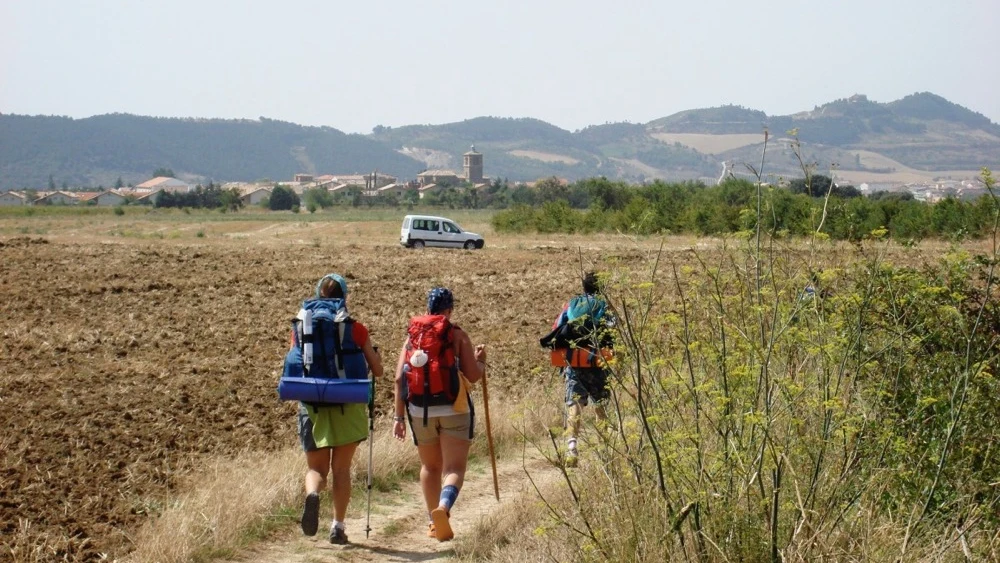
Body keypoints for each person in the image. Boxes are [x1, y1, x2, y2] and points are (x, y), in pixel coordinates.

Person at [294, 273, 383, 544]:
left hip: (312, 405)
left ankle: (313, 494)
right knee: (341, 470)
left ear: (318, 294)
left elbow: (297, 363)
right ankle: (338, 527)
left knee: (317, 470)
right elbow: (377, 370)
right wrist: (375, 358)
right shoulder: (355, 329)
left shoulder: (302, 326)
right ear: (344, 297)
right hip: (347, 403)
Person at [391, 287, 487, 542]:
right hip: (454, 409)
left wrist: (398, 418)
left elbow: (400, 377)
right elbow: (473, 376)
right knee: (454, 468)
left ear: (427, 308)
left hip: (419, 410)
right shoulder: (456, 334)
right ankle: (443, 508)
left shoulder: (413, 337)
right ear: (449, 310)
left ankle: (433, 523)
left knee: (429, 466)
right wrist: (481, 361)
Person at [547, 272, 613, 467]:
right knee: (600, 405)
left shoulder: (571, 305)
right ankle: (604, 451)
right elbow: (613, 332)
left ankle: (572, 448)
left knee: (574, 404)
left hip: (575, 361)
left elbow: (557, 328)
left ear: (583, 287)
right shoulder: (604, 306)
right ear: (601, 288)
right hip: (598, 362)